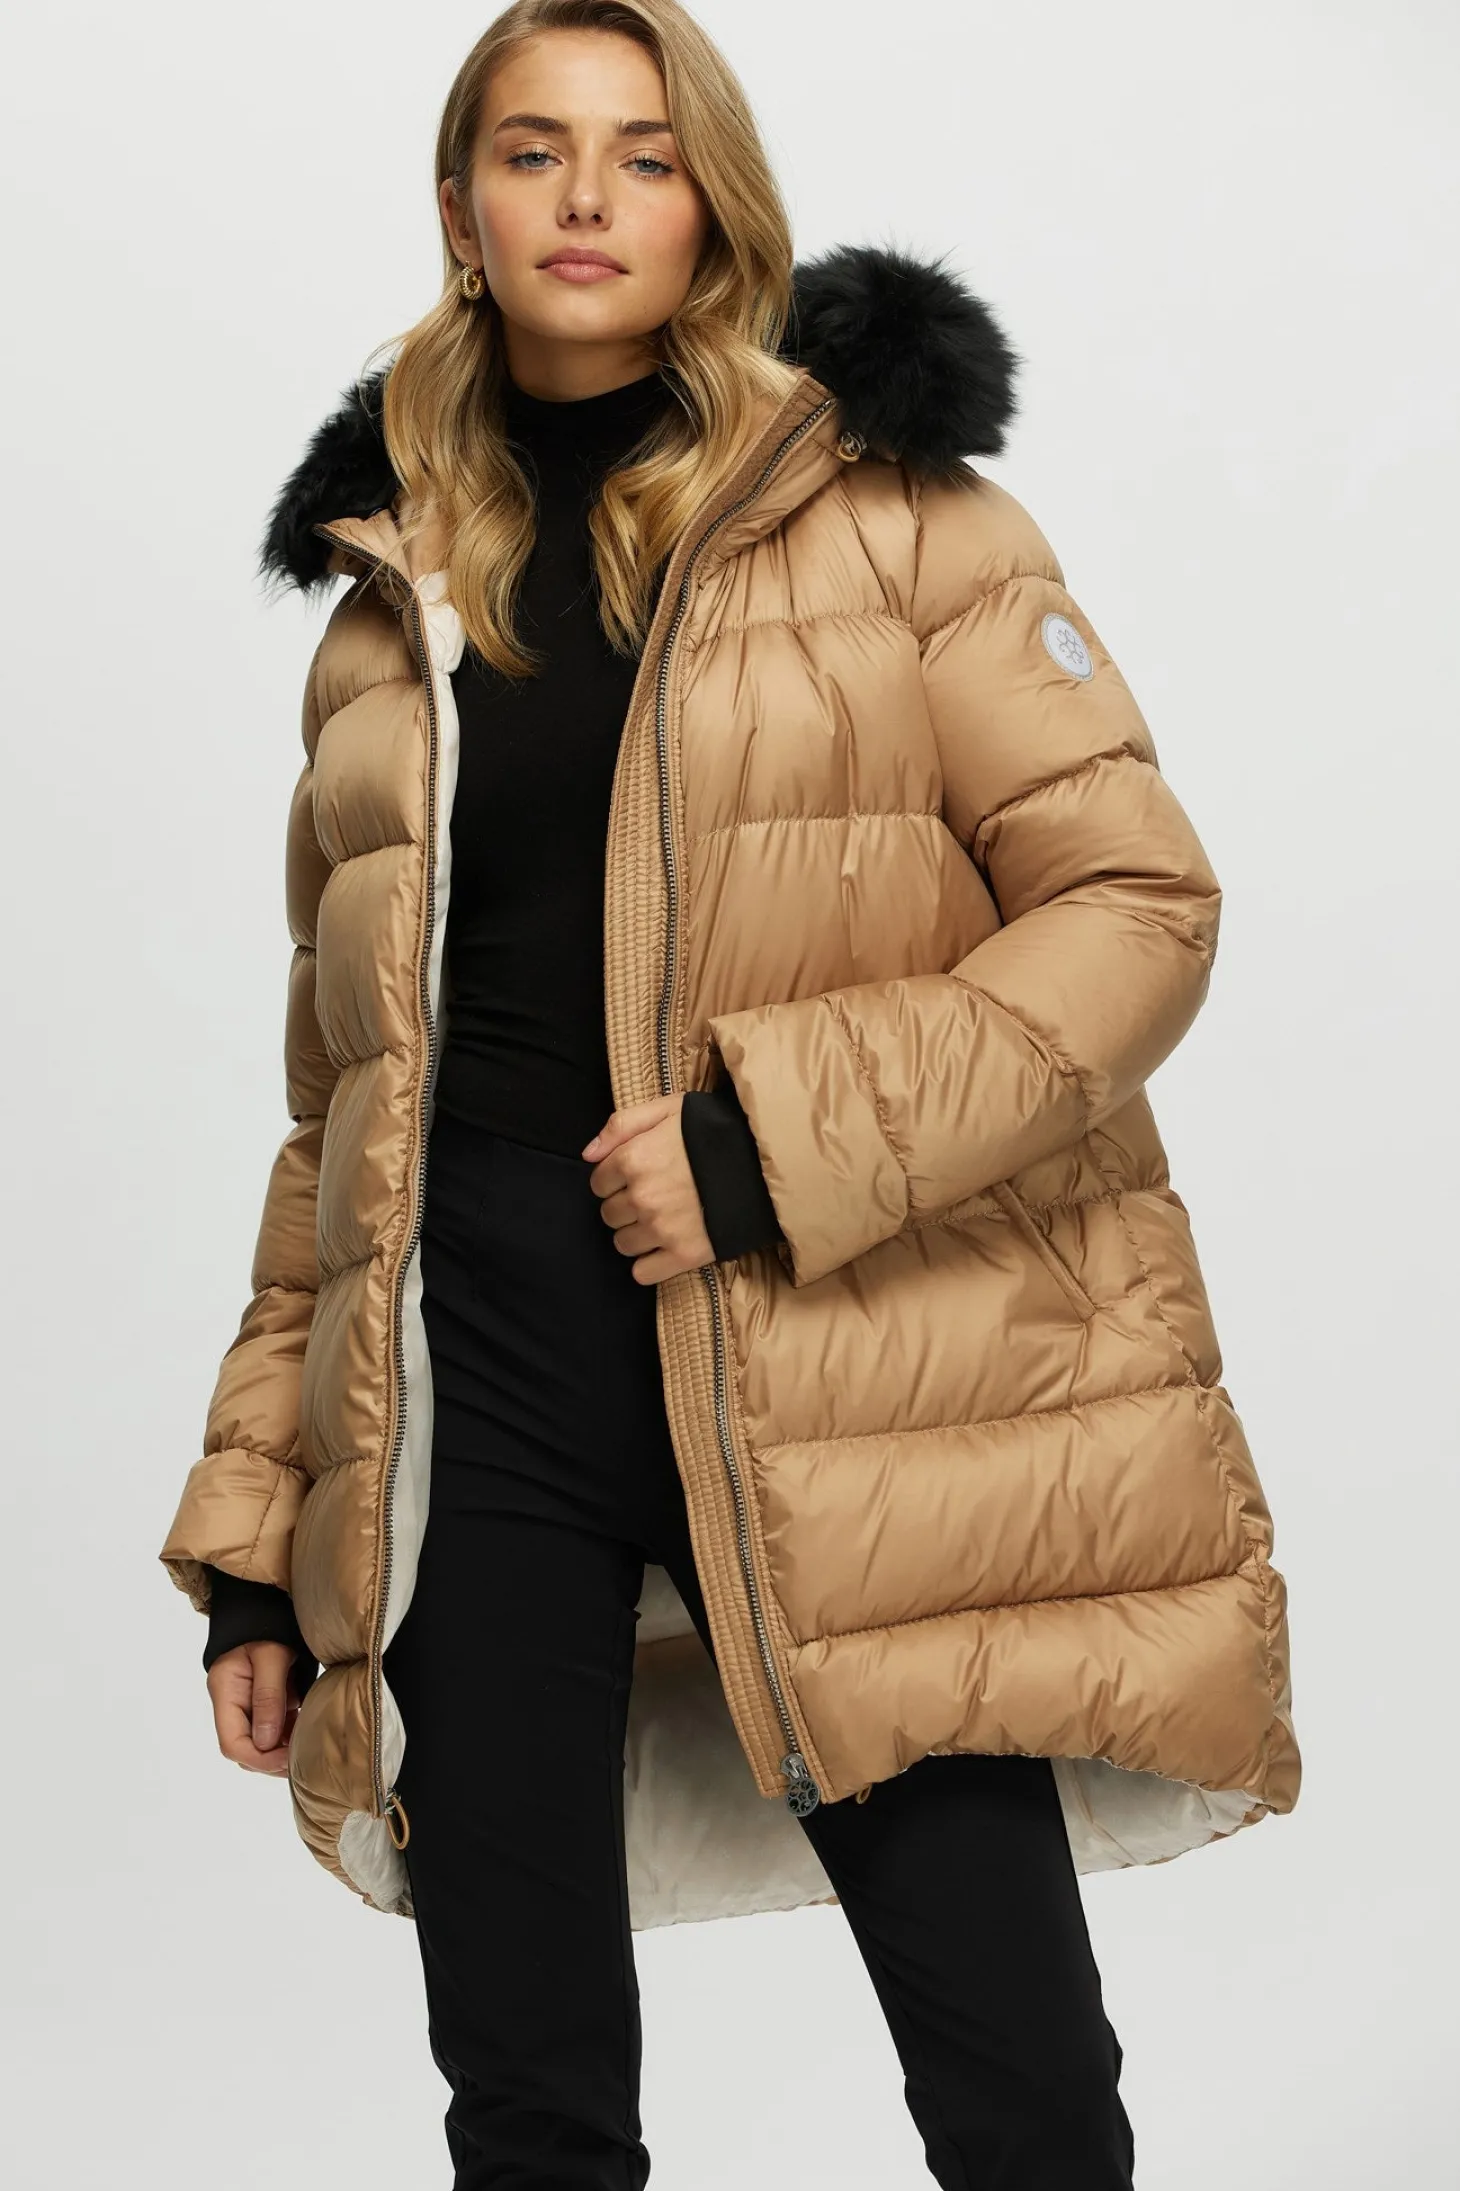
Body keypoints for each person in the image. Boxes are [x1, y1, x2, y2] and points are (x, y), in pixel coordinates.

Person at [158, 3, 1302, 2184]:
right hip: (481, 1368)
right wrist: (257, 1544)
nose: (587, 197)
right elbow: (342, 1125)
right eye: (533, 151)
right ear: (461, 212)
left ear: (718, 209)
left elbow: (1137, 907)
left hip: (847, 1345)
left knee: (1020, 2079)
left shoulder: (906, 528)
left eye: (646, 153)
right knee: (527, 2087)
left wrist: (763, 1147)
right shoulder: (388, 599)